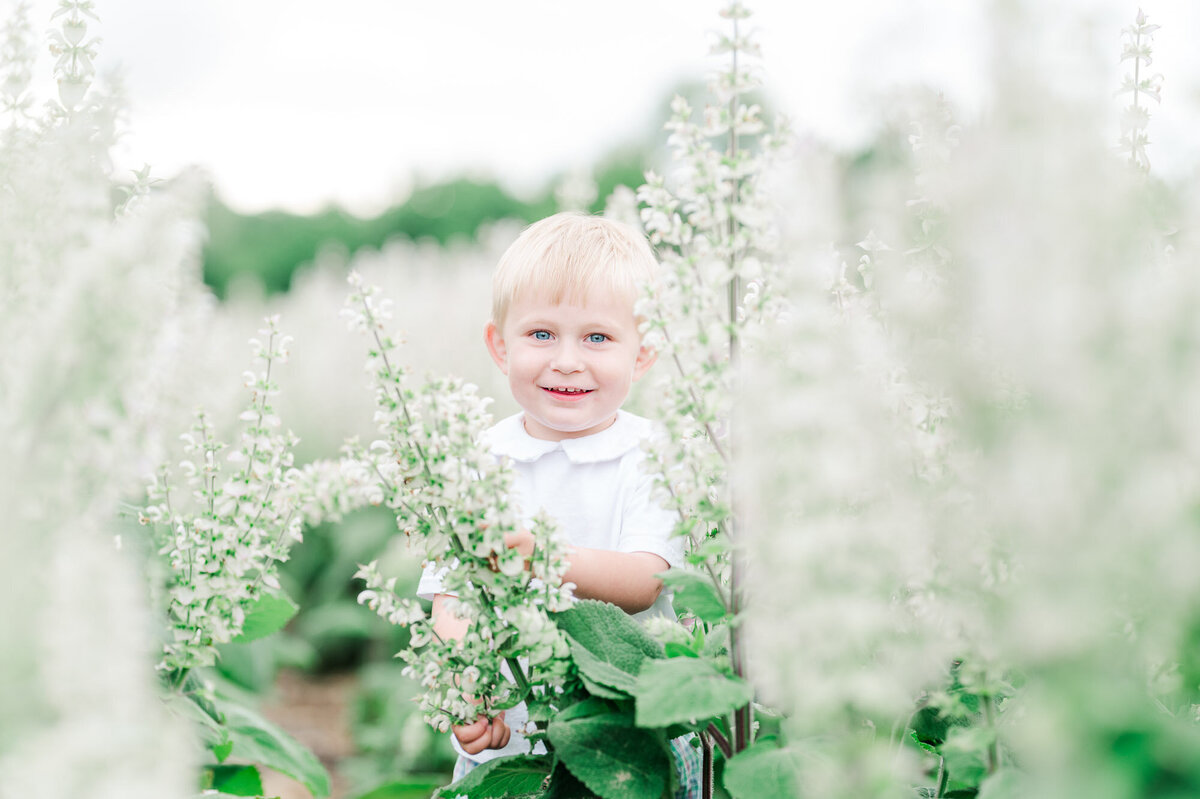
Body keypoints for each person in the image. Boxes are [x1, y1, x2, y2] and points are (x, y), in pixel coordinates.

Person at [415, 212, 702, 796]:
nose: (566, 360)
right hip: (513, 741)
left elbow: (648, 578)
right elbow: (452, 595)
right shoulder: (477, 457)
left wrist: (541, 559)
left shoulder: (654, 453)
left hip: (628, 742)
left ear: (642, 353)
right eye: (541, 334)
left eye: (597, 337)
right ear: (500, 345)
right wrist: (465, 685)